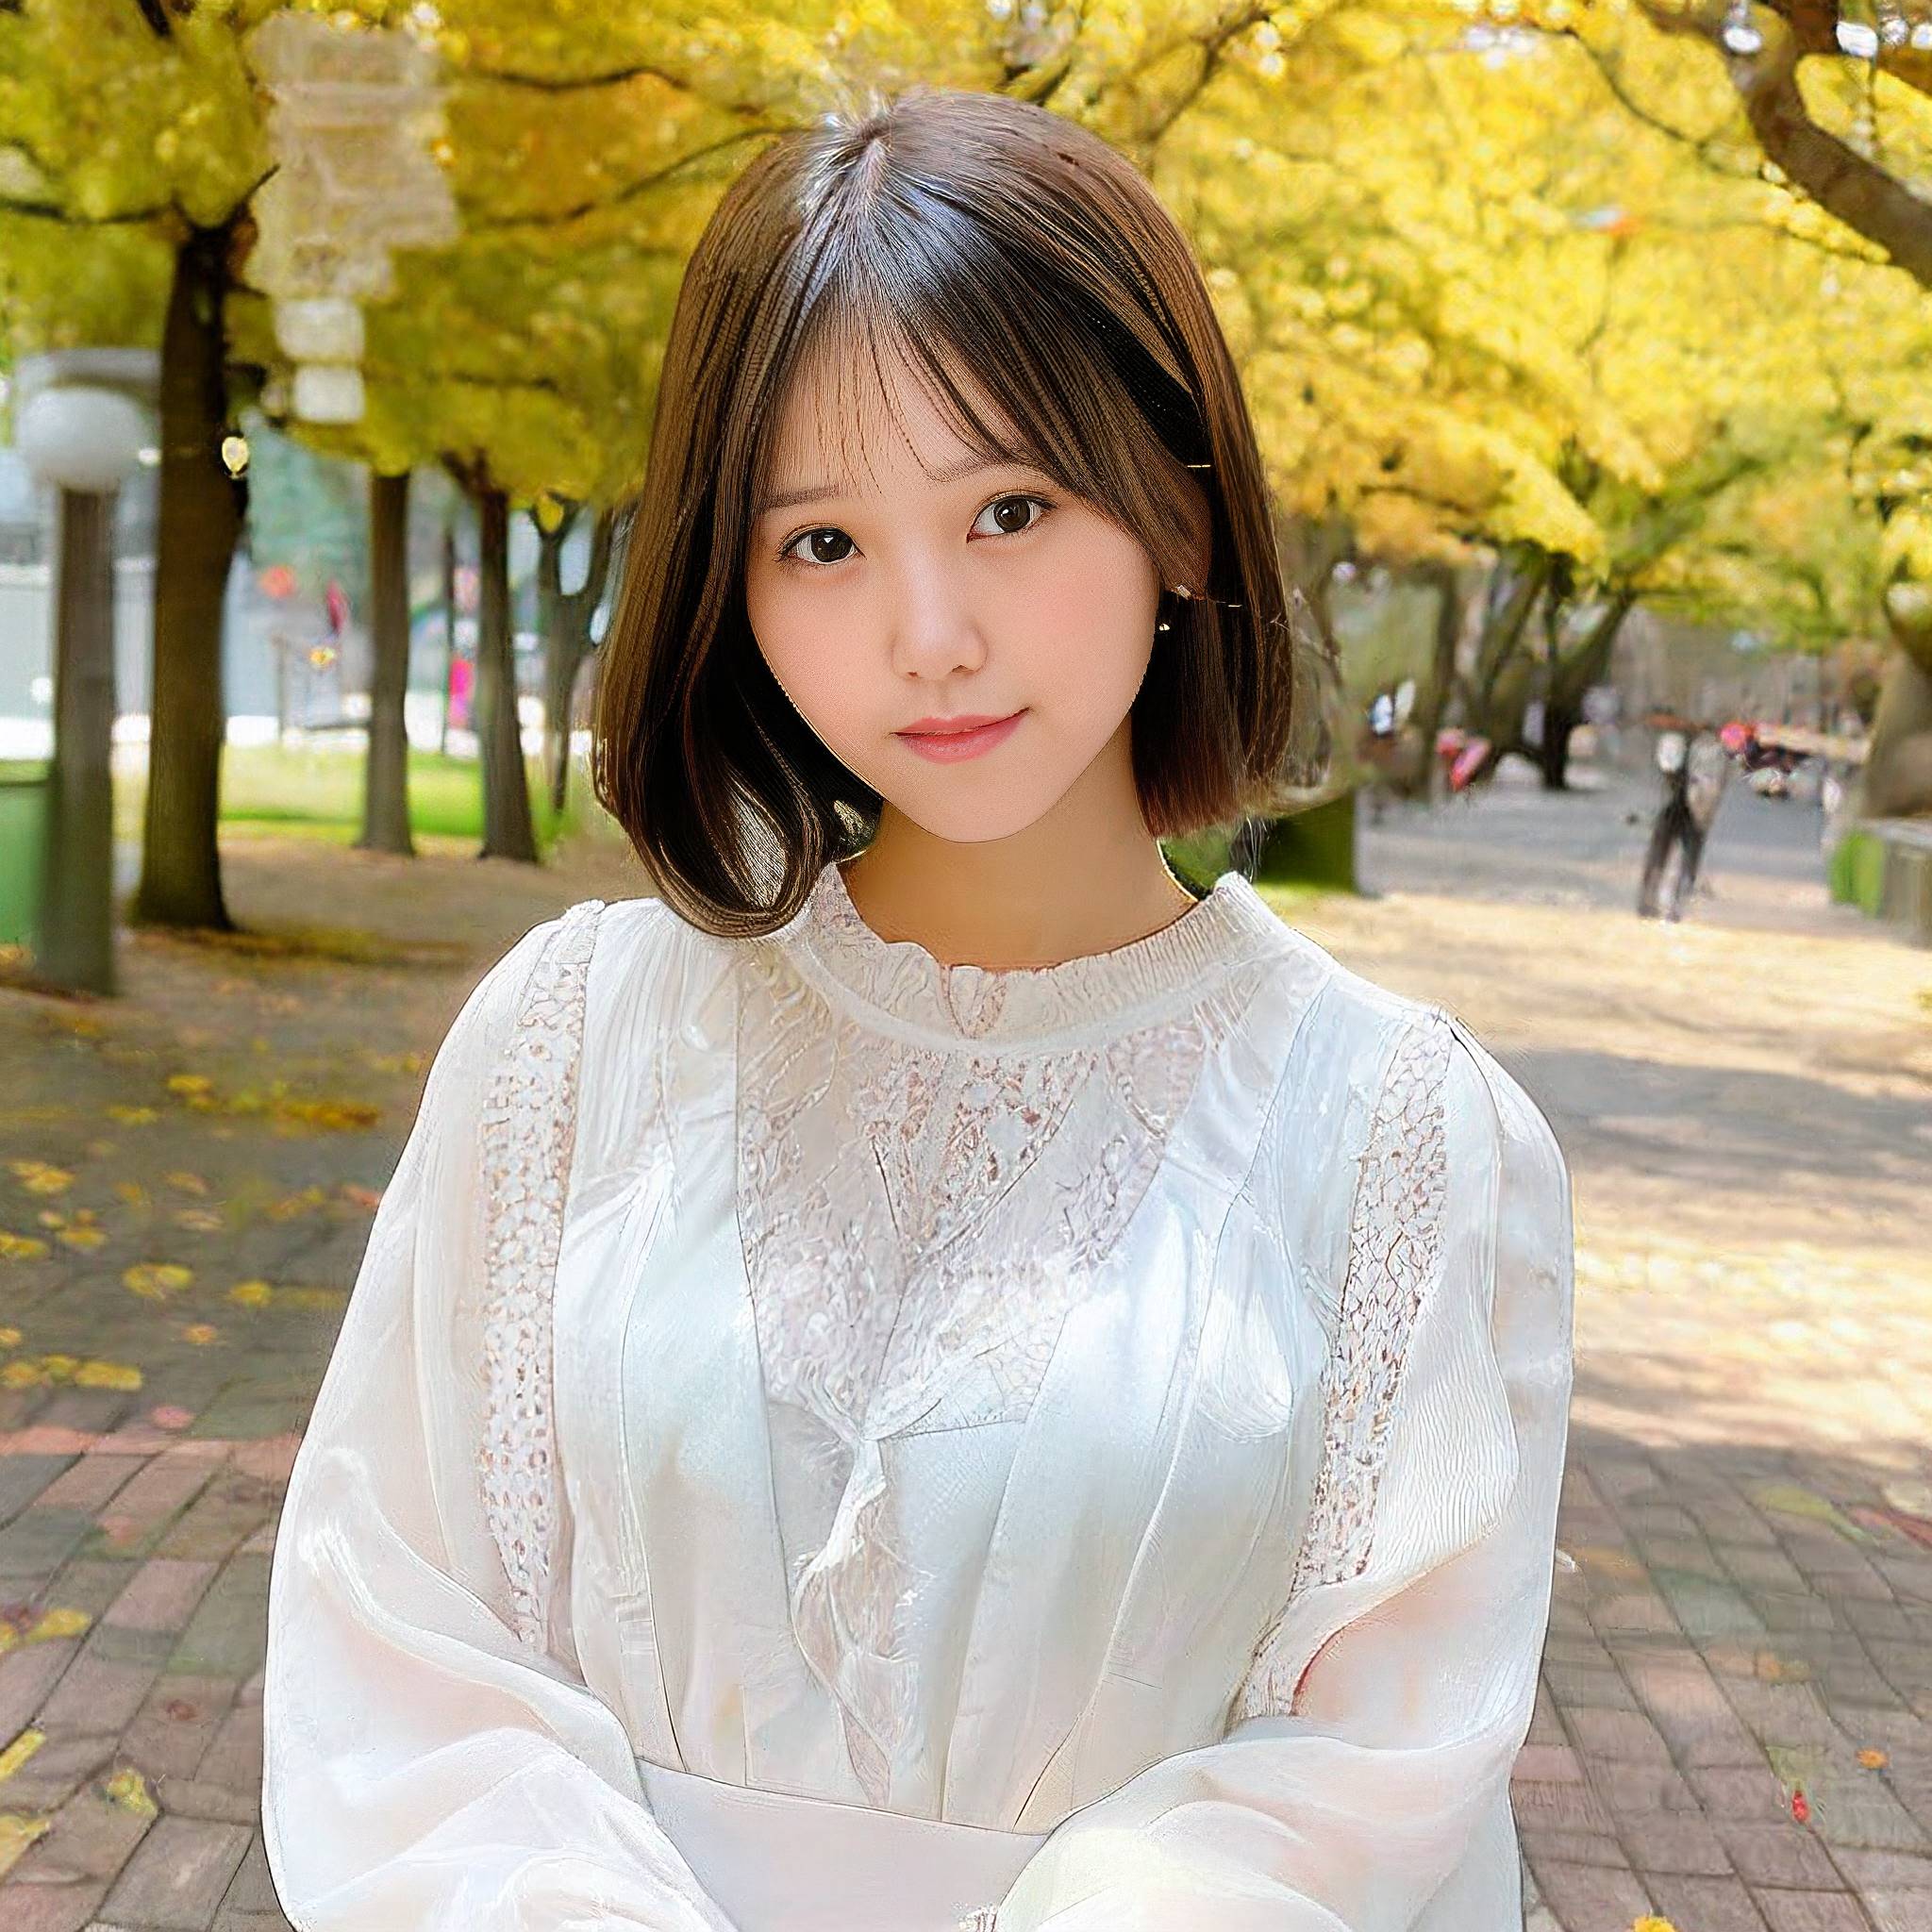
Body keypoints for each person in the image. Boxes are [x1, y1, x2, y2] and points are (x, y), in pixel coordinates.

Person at [260, 88, 1575, 1932]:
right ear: (731, 578)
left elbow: (1381, 1769)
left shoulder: (1399, 1136)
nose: (930, 631)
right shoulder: (575, 1041)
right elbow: (397, 1636)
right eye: (822, 544)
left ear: (1182, 516)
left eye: (1011, 508)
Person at [1639, 719, 1728, 921]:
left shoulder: (1679, 743)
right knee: (1684, 860)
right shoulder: (1710, 750)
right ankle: (1671, 905)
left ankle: (1652, 902)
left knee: (1661, 857)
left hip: (1677, 808)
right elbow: (1714, 785)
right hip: (1687, 809)